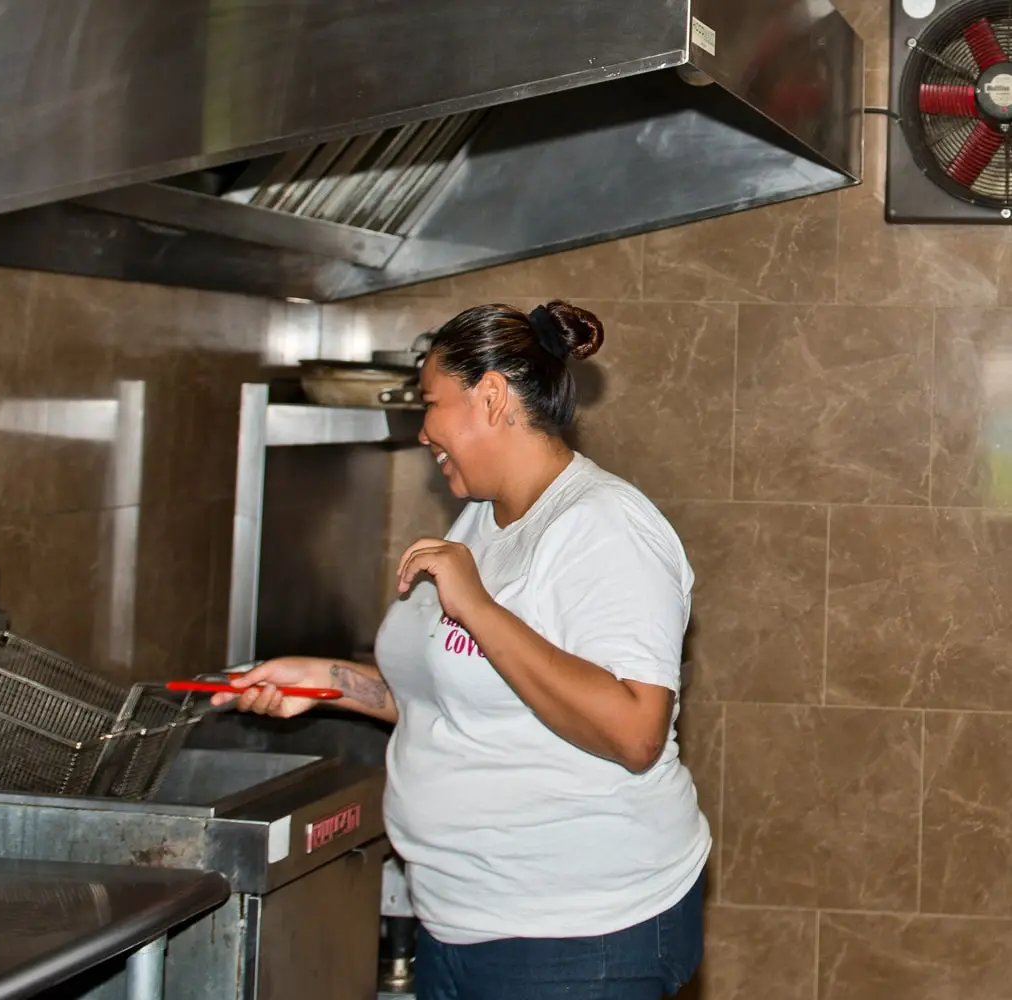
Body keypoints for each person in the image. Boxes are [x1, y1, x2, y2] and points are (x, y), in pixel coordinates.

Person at [215, 302, 710, 1000]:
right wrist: (327, 681)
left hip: (579, 934)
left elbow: (634, 730)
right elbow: (460, 698)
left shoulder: (605, 526)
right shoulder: (482, 518)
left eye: (431, 405)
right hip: (457, 921)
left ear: (493, 397)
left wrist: (476, 605)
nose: (423, 432)